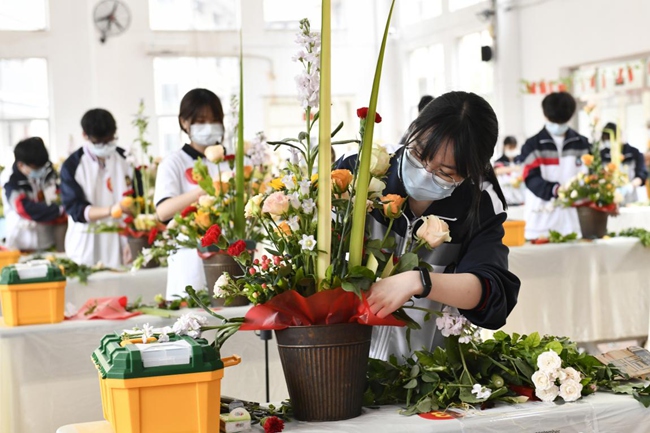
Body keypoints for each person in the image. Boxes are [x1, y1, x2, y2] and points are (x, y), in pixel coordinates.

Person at [339, 91, 520, 361]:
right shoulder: (360, 170)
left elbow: (492, 294)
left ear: (472, 169)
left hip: (423, 371)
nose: (425, 172)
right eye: (419, 154)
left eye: (445, 172)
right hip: (340, 361)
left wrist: (420, 281)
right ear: (413, 130)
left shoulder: (479, 205)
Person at [154, 88, 228, 298]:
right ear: (184, 122)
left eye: (214, 119)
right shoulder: (174, 162)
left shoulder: (229, 161)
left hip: (227, 256)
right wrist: (204, 190)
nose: (209, 126)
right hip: (189, 259)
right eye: (201, 120)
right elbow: (163, 211)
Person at [60, 108, 136, 268]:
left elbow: (138, 202)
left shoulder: (126, 159)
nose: (104, 146)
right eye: (98, 142)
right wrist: (112, 210)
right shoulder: (72, 165)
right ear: (85, 136)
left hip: (121, 242)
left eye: (109, 140)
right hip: (86, 244)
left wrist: (134, 240)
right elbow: (75, 209)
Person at [519, 92, 590, 239]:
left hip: (576, 221)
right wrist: (556, 190)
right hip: (541, 222)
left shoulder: (583, 144)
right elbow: (531, 178)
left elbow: (592, 176)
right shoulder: (533, 145)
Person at [0, 137, 65, 251]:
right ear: (21, 165)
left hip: (47, 240)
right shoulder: (10, 181)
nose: (41, 170)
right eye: (36, 168)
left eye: (42, 166)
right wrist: (58, 211)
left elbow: (59, 195)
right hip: (22, 242)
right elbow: (24, 208)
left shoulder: (48, 173)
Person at [600, 122, 648, 204]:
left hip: (632, 198)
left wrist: (629, 186)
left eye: (610, 139)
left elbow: (642, 174)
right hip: (610, 199)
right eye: (606, 140)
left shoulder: (634, 153)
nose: (609, 142)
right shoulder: (602, 155)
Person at [494, 136, 525, 205]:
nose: (512, 149)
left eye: (514, 147)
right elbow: (496, 171)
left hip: (520, 196)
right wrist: (513, 168)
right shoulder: (500, 161)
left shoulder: (519, 159)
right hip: (507, 197)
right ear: (504, 147)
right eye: (510, 147)